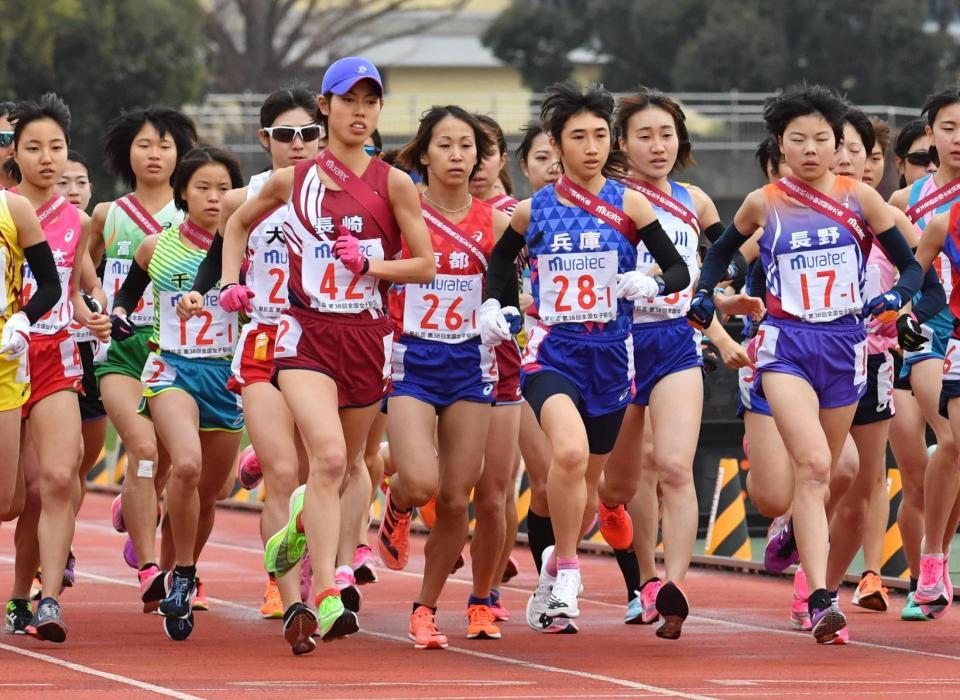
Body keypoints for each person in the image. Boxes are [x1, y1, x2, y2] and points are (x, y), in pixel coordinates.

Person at [688, 85, 923, 644]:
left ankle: (799, 542)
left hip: (845, 349)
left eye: (824, 139)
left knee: (824, 479)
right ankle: (822, 599)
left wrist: (894, 299)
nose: (813, 149)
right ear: (781, 145)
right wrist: (708, 293)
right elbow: (719, 253)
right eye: (800, 139)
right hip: (786, 345)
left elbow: (912, 270)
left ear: (840, 145)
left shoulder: (861, 200)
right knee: (817, 465)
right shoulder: (763, 202)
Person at [219, 57, 434, 652]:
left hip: (365, 340)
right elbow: (236, 225)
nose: (359, 111)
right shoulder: (295, 179)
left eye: (370, 101)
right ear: (326, 106)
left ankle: (294, 527)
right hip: (304, 335)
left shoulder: (393, 184)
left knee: (348, 463)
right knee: (331, 459)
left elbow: (425, 264)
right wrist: (233, 282)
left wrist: (371, 265)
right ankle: (327, 594)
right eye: (348, 100)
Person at [482, 80, 689, 631]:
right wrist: (497, 309)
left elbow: (680, 270)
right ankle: (569, 569)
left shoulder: (632, 202)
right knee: (567, 455)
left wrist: (648, 285)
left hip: (612, 355)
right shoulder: (533, 211)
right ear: (558, 143)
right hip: (552, 352)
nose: (592, 146)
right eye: (579, 137)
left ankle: (553, 569)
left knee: (588, 477)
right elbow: (499, 269)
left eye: (600, 135)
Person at [601, 86, 757, 639]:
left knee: (671, 466)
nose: (658, 145)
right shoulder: (608, 200)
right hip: (616, 345)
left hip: (675, 343)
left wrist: (727, 298)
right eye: (644, 135)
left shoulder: (697, 202)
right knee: (621, 482)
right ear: (622, 142)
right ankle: (642, 576)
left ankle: (672, 586)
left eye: (666, 134)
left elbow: (724, 262)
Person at [179, 88, 320, 633]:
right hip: (265, 341)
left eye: (308, 133)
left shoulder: (343, 193)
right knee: (285, 473)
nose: (297, 144)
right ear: (265, 140)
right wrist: (211, 289)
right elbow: (219, 251)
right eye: (285, 135)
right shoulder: (248, 197)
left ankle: (314, 566)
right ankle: (287, 598)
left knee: (317, 472)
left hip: (327, 344)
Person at [377, 105, 507, 648]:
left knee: (458, 496)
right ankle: (399, 500)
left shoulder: (497, 223)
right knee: (423, 482)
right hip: (412, 363)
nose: (458, 156)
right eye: (445, 145)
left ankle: (425, 608)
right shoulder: (403, 215)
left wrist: (508, 313)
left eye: (467, 147)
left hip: (471, 367)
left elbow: (514, 288)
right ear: (423, 153)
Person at [111, 146, 245, 641]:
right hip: (172, 369)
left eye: (225, 188)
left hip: (224, 378)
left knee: (211, 494)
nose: (214, 197)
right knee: (184, 465)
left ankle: (175, 570)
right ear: (183, 193)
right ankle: (182, 575)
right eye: (203, 187)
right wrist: (122, 313)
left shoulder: (244, 245)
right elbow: (128, 293)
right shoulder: (156, 246)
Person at [5, 94, 111, 642]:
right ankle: (19, 593)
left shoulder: (77, 220)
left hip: (57, 357)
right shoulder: (5, 208)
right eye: (34, 148)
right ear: (13, 152)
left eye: (57, 147)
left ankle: (44, 600)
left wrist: (94, 318)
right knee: (13, 497)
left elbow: (72, 288)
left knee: (55, 481)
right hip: (7, 359)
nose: (48, 159)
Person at [89, 107, 197, 610]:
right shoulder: (106, 215)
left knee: (169, 462)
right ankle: (151, 569)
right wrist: (93, 310)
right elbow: (79, 277)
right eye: (144, 145)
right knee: (143, 445)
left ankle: (137, 511)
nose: (155, 154)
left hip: (177, 354)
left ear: (181, 155)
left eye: (165, 146)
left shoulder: (192, 218)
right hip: (120, 353)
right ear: (126, 152)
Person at [888, 88, 960, 620]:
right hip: (924, 328)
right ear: (930, 133)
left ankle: (933, 559)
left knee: (955, 449)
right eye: (950, 127)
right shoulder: (906, 205)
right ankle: (932, 563)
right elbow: (906, 278)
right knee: (952, 435)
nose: (959, 139)